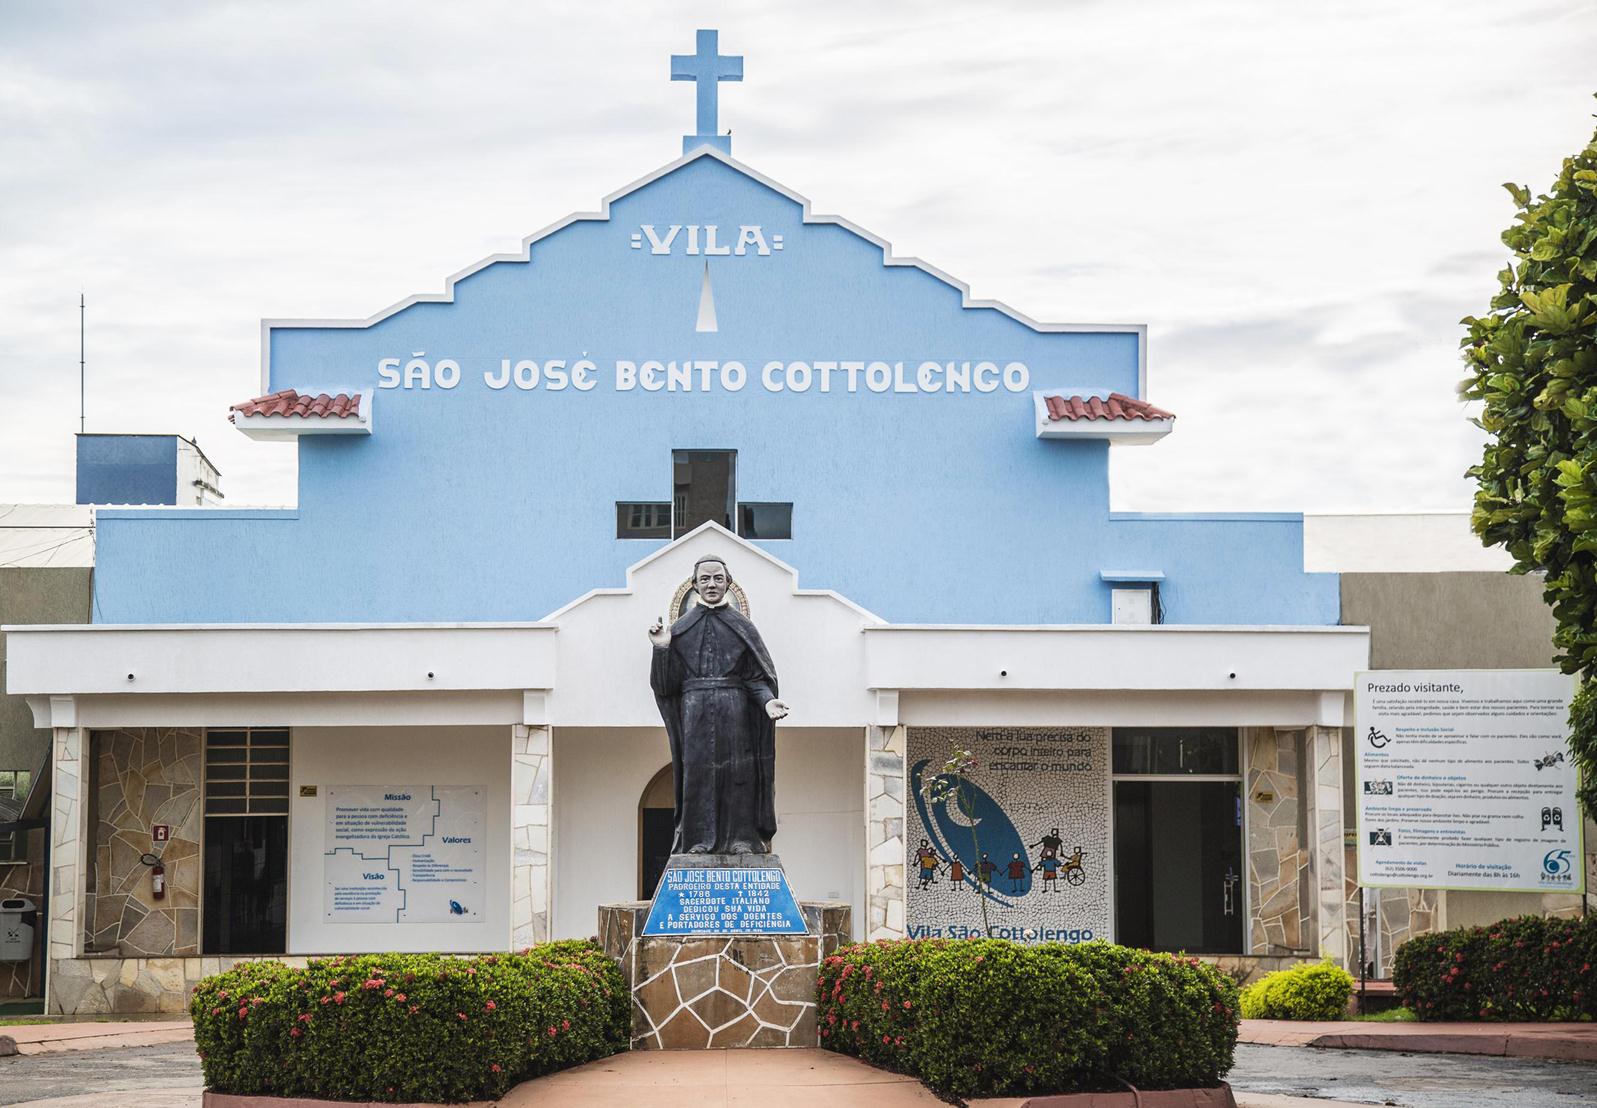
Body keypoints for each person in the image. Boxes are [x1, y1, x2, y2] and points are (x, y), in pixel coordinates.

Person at [649, 556, 789, 854]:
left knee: (739, 773)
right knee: (698, 774)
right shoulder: (680, 629)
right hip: (694, 710)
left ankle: (742, 839)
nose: (711, 584)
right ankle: (697, 841)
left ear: (728, 583)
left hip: (735, 709)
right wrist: (661, 649)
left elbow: (755, 677)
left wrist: (767, 702)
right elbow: (665, 686)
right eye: (705, 579)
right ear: (694, 584)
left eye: (717, 578)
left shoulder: (743, 627)